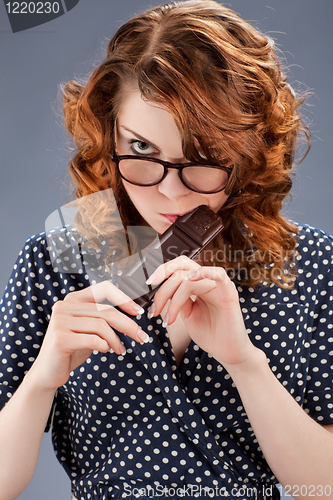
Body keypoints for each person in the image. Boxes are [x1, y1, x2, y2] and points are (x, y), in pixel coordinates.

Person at [0, 1, 332, 499]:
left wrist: (245, 364)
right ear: (108, 133)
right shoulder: (55, 259)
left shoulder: (309, 264)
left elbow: (322, 488)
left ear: (248, 150)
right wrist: (41, 380)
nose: (173, 193)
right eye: (141, 150)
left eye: (203, 158)